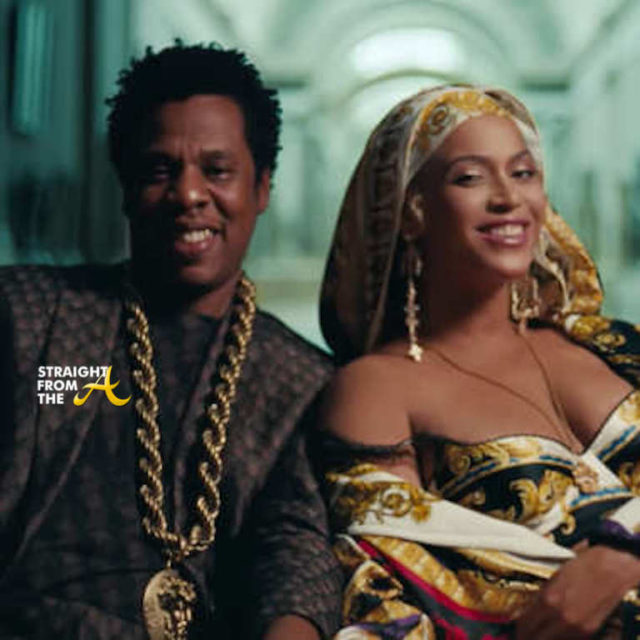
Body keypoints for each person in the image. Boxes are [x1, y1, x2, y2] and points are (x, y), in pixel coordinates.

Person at [0, 43, 342, 640]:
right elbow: (60, 396)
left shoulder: (299, 380)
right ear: (126, 187)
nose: (188, 194)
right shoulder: (34, 317)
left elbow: (295, 552)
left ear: (261, 187)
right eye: (160, 170)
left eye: (217, 170)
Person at [318, 85, 640, 639]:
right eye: (470, 177)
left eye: (523, 173)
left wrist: (622, 557)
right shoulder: (376, 388)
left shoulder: (608, 343)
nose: (508, 198)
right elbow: (392, 595)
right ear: (411, 212)